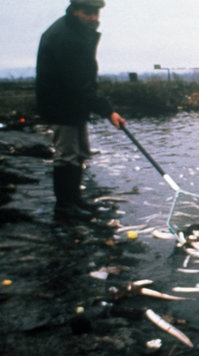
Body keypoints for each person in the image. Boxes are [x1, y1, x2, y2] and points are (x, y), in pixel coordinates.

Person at [36, 0, 125, 221]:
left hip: (73, 104)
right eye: (88, 12)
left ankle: (75, 200)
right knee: (67, 156)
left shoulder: (77, 32)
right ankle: (65, 207)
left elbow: (83, 79)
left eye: (96, 13)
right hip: (61, 105)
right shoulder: (65, 37)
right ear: (75, 10)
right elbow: (77, 83)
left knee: (80, 153)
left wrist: (101, 108)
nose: (94, 17)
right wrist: (108, 111)